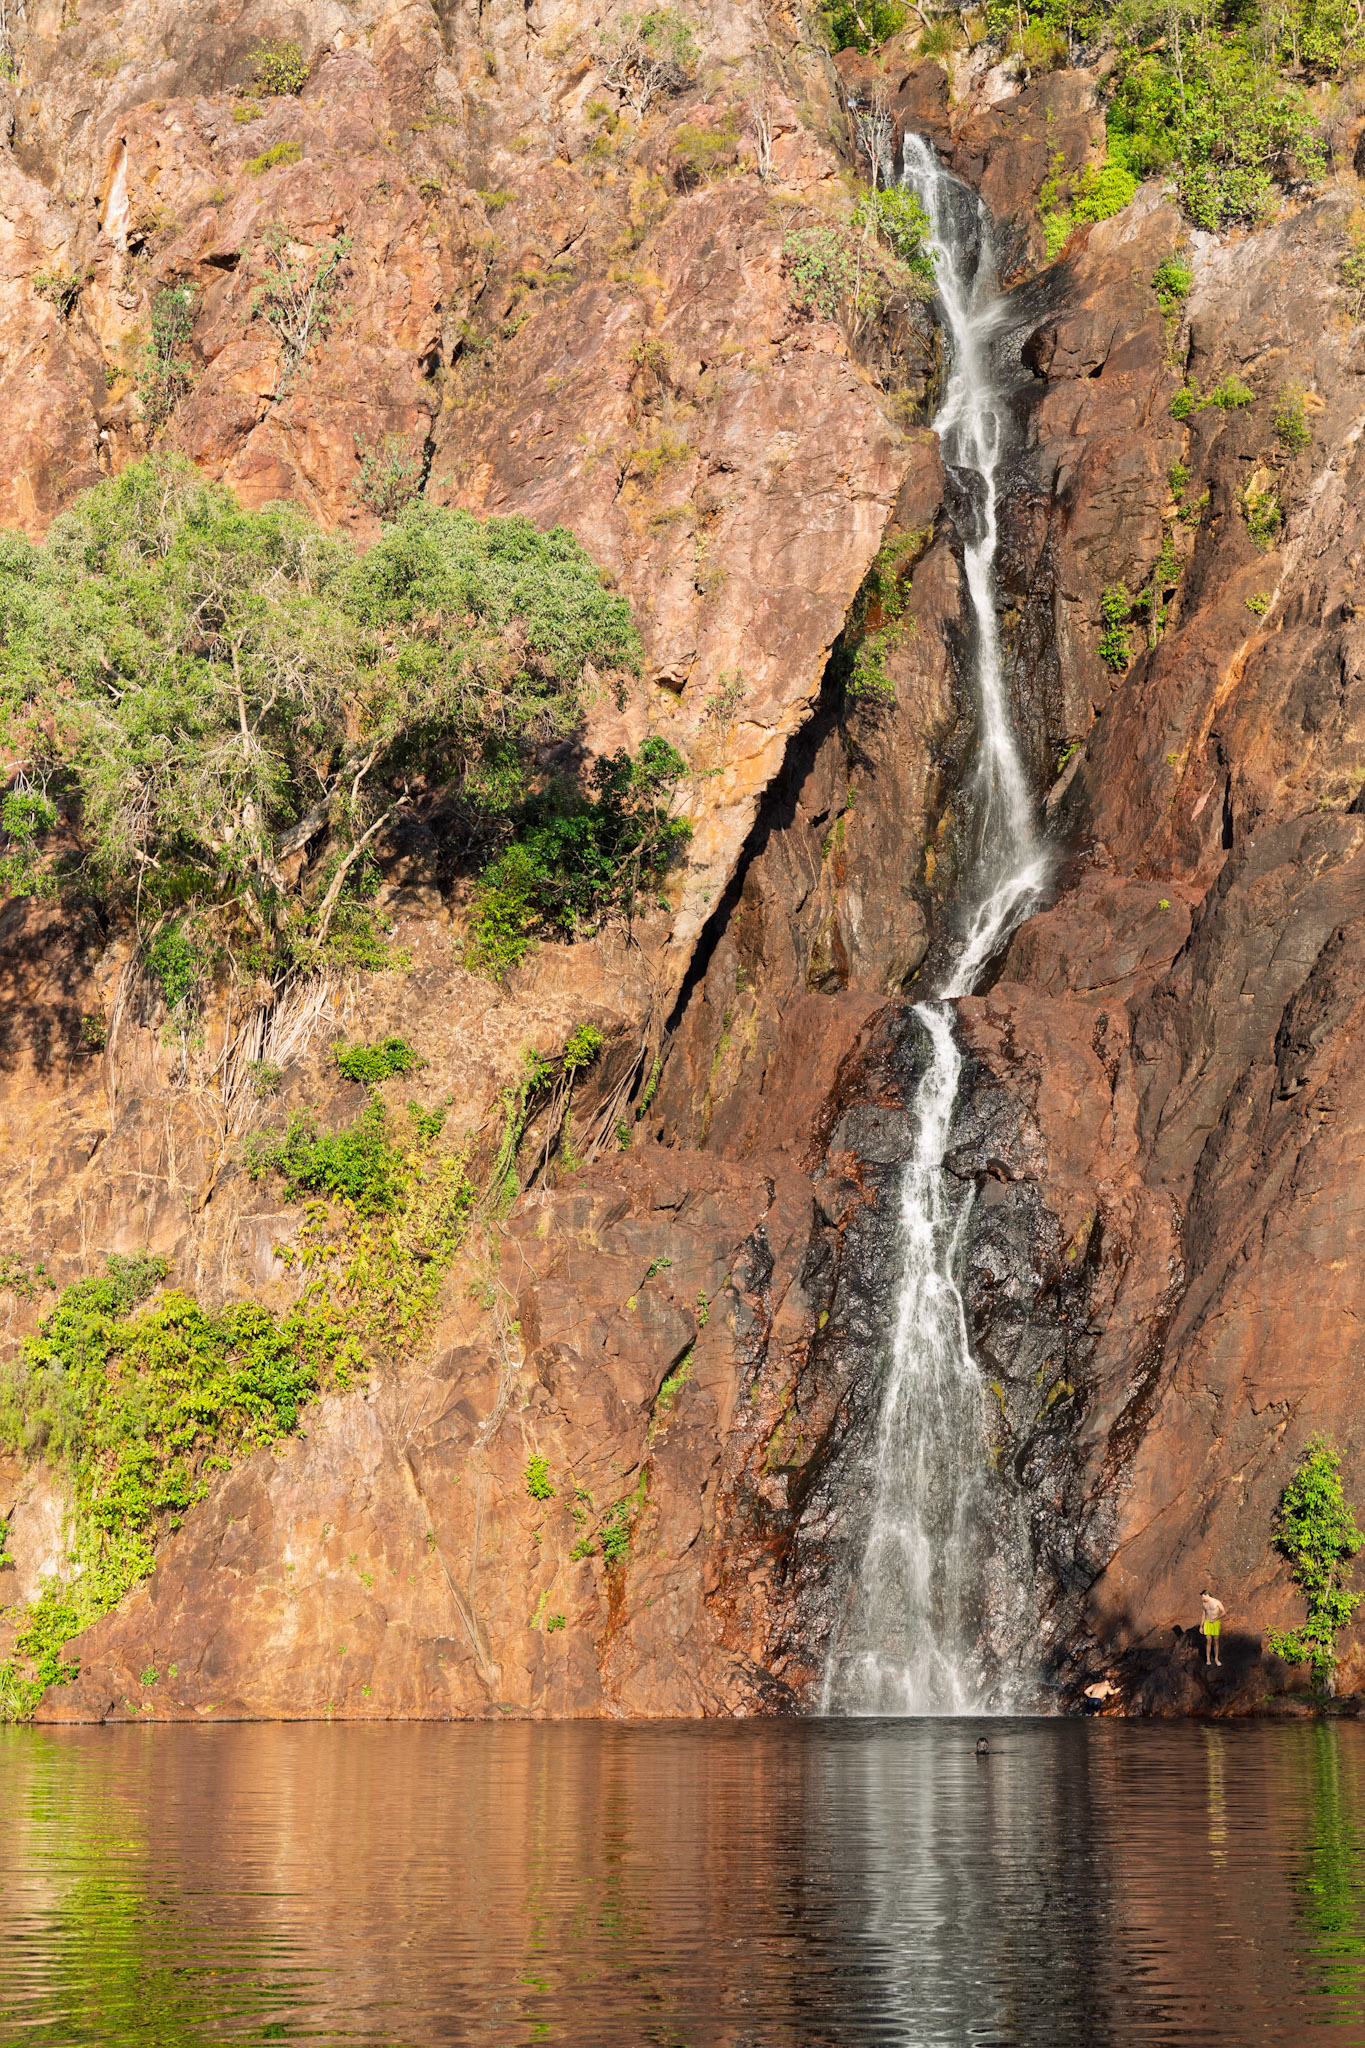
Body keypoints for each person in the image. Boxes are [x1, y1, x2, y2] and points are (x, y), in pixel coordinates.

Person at [1200, 1589, 1226, 1667]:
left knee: (1216, 1640)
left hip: (1215, 1622)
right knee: (1208, 1640)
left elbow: (1223, 1612)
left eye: (1203, 1597)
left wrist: (1216, 1619)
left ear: (1207, 1595)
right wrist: (1201, 1626)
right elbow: (1203, 1615)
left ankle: (1216, 1658)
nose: (1202, 1598)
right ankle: (1208, 1659)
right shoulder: (1204, 1604)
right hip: (1207, 1623)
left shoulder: (1216, 1602)